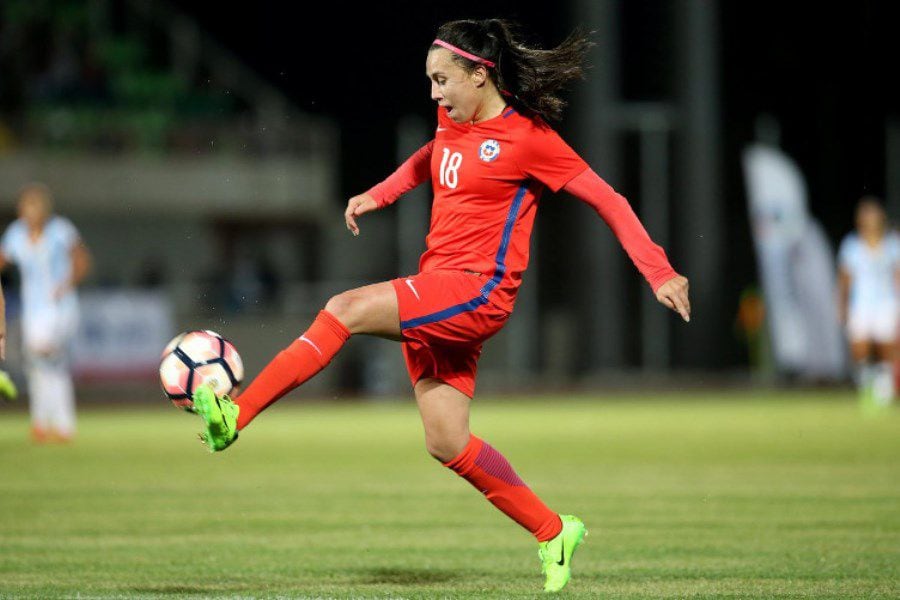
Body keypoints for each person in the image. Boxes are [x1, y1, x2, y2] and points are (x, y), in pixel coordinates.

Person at [190, 19, 690, 593]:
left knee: (344, 307)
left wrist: (659, 271)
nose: (435, 93)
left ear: (480, 74)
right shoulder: (451, 121)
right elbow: (431, 158)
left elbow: (609, 199)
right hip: (442, 290)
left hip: (478, 290)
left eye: (443, 80)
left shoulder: (528, 138)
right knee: (446, 441)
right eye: (430, 81)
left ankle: (236, 416)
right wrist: (379, 193)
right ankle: (554, 530)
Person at [0, 183, 91, 442]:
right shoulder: (16, 233)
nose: (29, 211)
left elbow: (82, 260)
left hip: (60, 308)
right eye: (25, 206)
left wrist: (67, 283)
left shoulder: (61, 230)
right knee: (45, 368)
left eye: (34, 205)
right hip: (33, 310)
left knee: (42, 352)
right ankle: (50, 424)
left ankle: (56, 423)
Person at [837, 197, 900, 408]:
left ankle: (883, 393)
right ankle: (866, 388)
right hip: (861, 304)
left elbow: (897, 276)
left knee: (886, 349)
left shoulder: (892, 244)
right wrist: (842, 306)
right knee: (860, 350)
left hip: (886, 303)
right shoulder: (851, 245)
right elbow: (844, 280)